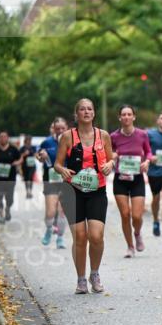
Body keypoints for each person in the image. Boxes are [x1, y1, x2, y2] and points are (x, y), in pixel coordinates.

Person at [55, 98, 115, 294]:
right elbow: (57, 164)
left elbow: (111, 159)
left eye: (89, 109)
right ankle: (81, 279)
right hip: (72, 192)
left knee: (96, 236)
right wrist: (62, 170)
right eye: (82, 109)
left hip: (97, 191)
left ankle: (94, 274)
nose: (86, 112)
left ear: (94, 113)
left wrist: (110, 165)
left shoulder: (103, 135)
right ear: (77, 114)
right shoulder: (67, 137)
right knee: (80, 237)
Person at [110, 105, 153, 258]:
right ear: (119, 117)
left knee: (136, 216)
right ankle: (130, 246)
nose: (126, 117)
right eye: (124, 114)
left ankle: (137, 233)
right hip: (120, 179)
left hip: (137, 178)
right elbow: (109, 153)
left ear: (134, 117)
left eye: (129, 114)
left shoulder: (142, 134)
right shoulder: (113, 136)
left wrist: (147, 161)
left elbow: (148, 151)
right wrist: (113, 156)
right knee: (125, 214)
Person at [36, 117, 69, 249]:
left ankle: (60, 238)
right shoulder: (47, 142)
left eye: (62, 128)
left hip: (66, 180)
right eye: (57, 128)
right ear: (53, 129)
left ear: (66, 128)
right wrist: (41, 157)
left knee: (62, 211)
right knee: (50, 212)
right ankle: (49, 229)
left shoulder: (72, 142)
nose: (60, 130)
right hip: (51, 180)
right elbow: (38, 156)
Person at [0, 130, 21, 224]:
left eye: (4, 136)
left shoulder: (13, 149)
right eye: (1, 137)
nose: (3, 138)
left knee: (10, 199)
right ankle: (1, 216)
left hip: (10, 178)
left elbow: (20, 159)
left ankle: (7, 208)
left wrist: (16, 163)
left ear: (8, 138)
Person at [19, 134, 37, 199]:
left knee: (30, 178)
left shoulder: (33, 147)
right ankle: (27, 191)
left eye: (30, 140)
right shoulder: (22, 148)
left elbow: (36, 154)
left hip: (32, 165)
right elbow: (19, 156)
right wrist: (24, 154)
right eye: (28, 140)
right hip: (25, 165)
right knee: (26, 178)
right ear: (25, 140)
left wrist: (36, 155)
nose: (29, 141)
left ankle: (30, 191)